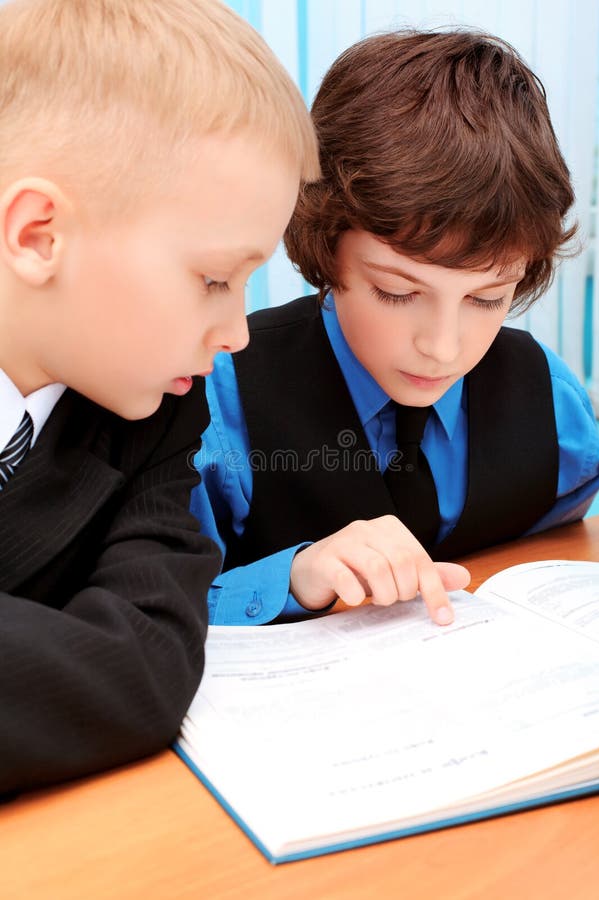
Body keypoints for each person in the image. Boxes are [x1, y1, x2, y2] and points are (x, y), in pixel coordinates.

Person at [0, 0, 319, 795]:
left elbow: (148, 666)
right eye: (214, 279)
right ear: (40, 235)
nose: (238, 332)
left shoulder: (159, 416)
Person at [192, 29, 599, 629]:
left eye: (488, 299)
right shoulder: (220, 399)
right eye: (397, 291)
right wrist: (296, 578)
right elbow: (148, 611)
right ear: (325, 248)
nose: (443, 346)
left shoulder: (551, 397)